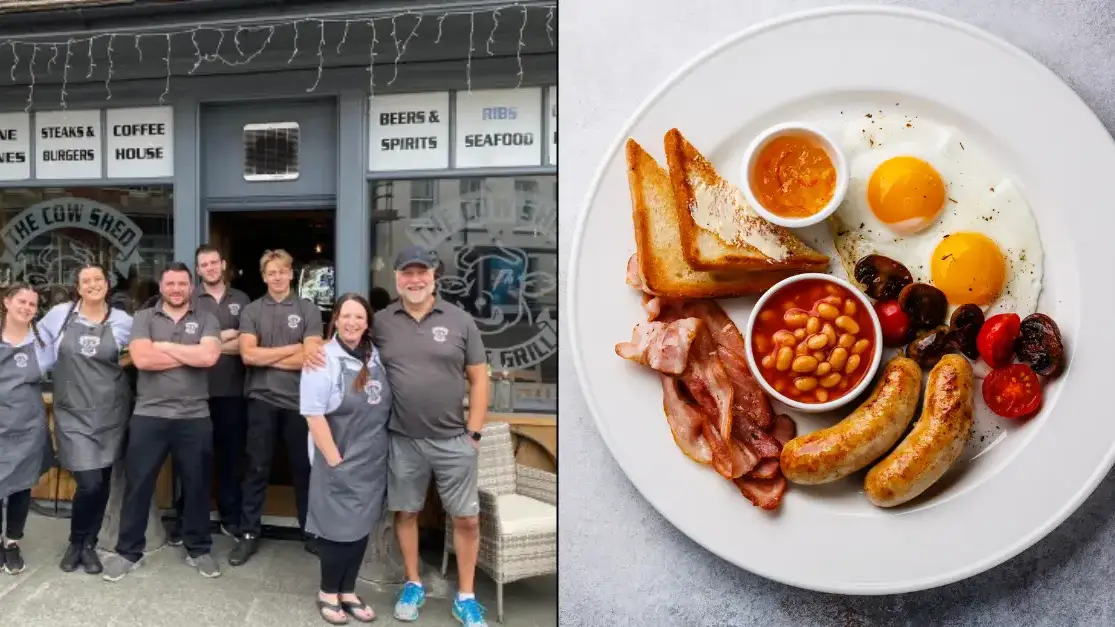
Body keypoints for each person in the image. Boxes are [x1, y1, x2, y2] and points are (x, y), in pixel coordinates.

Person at [376, 246, 490, 627]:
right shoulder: (381, 322)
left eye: (421, 272)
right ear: (396, 278)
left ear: (434, 276)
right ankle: (412, 583)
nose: (414, 280)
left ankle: (467, 596)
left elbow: (478, 377)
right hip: (402, 439)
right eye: (406, 273)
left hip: (453, 440)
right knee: (405, 513)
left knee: (467, 521)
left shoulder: (460, 321)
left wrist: (473, 432)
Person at [101, 263, 222, 582]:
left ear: (191, 287)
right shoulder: (144, 317)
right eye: (171, 283)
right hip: (149, 415)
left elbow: (209, 358)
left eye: (182, 283)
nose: (177, 289)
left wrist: (165, 347)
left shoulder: (207, 318)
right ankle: (128, 551)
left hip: (194, 416)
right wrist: (188, 354)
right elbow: (141, 359)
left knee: (196, 486)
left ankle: (199, 549)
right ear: (162, 287)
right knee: (138, 485)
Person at [38, 264, 134, 574]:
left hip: (110, 413)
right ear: (78, 288)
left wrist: (122, 361)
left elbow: (140, 352)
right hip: (73, 413)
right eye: (85, 281)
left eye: (98, 279)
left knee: (102, 481)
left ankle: (87, 545)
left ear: (108, 284)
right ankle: (76, 540)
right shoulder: (61, 315)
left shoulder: (123, 321)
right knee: (89, 482)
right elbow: (37, 348)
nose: (92, 285)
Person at [301, 293, 389, 625]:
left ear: (367, 324)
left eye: (359, 317)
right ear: (335, 319)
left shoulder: (377, 357)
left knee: (360, 528)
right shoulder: (322, 359)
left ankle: (348, 590)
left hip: (371, 460)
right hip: (337, 458)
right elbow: (313, 415)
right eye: (346, 316)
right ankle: (328, 592)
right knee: (337, 531)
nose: (352, 323)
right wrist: (335, 460)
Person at [232, 249, 323, 566]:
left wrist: (267, 354)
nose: (277, 277)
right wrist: (291, 349)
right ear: (264, 276)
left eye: (282, 271)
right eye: (271, 272)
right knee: (256, 468)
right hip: (261, 399)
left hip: (300, 402)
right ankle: (248, 534)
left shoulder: (308, 310)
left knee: (304, 469)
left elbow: (310, 358)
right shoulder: (252, 310)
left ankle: (310, 532)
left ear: (290, 272)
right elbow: (248, 356)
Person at [174, 244, 251, 542]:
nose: (210, 268)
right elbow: (187, 343)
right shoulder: (189, 300)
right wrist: (223, 340)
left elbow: (248, 342)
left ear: (223, 264)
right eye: (204, 264)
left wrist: (210, 344)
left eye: (214, 262)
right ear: (198, 270)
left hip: (233, 392)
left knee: (232, 459)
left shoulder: (242, 299)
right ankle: (187, 519)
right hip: (197, 393)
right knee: (194, 460)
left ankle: (230, 517)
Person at [0, 283, 55, 575]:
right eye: (21, 301)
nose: (27, 308)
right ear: (7, 302)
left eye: (32, 304)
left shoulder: (43, 344)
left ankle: (11, 542)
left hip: (29, 426)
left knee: (21, 486)